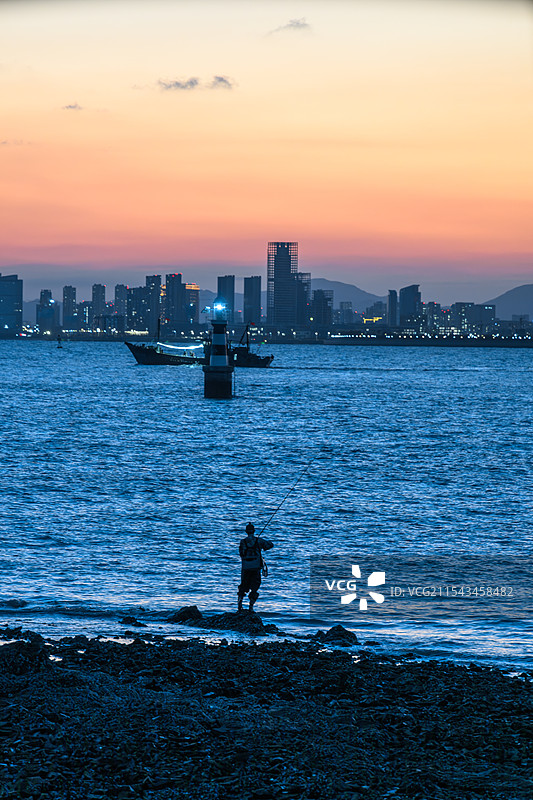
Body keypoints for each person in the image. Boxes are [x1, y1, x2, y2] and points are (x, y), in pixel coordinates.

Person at [237, 522, 274, 612]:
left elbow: (241, 554)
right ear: (254, 531)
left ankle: (240, 604)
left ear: (246, 531)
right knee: (255, 587)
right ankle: (251, 607)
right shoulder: (259, 541)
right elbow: (270, 545)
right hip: (256, 567)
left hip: (245, 568)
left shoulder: (243, 542)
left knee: (243, 586)